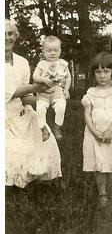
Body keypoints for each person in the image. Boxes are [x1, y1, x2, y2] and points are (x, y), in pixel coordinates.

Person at [5, 19, 62, 189]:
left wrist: (44, 101)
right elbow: (8, 93)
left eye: (10, 34)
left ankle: (32, 181)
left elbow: (25, 96)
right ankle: (10, 186)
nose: (6, 38)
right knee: (11, 146)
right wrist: (36, 86)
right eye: (2, 34)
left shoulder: (22, 62)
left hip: (20, 109)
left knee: (45, 135)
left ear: (15, 36)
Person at [81, 51, 112, 208]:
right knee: (99, 163)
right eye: (98, 72)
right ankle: (103, 194)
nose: (102, 75)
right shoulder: (90, 93)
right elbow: (87, 114)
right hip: (95, 134)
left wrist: (110, 130)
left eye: (106, 71)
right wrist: (95, 132)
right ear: (94, 73)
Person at [33, 36, 71, 140]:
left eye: (55, 50)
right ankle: (43, 128)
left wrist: (66, 89)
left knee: (61, 107)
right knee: (40, 109)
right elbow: (35, 76)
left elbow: (68, 77)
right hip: (43, 93)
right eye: (49, 50)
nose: (52, 53)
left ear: (60, 51)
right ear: (44, 52)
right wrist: (43, 80)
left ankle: (57, 127)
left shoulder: (63, 64)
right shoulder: (41, 64)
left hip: (57, 91)